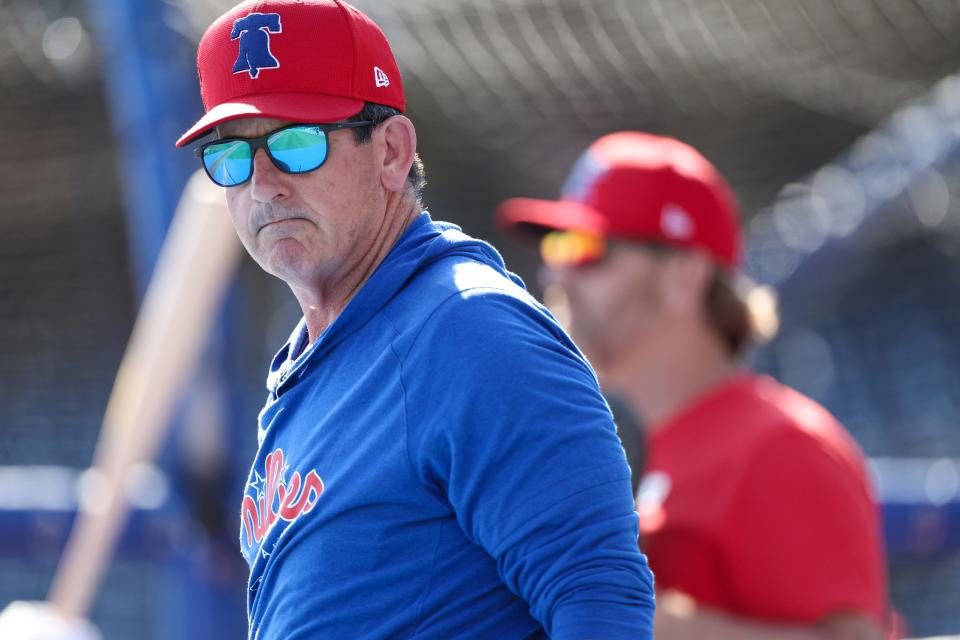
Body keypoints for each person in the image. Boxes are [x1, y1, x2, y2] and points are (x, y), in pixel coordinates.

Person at [173, 2, 655, 639]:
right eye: (231, 156)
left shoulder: (471, 332)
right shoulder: (315, 360)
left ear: (392, 152)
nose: (262, 184)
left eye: (296, 142)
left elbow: (600, 601)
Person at [496, 131, 890, 640]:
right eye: (556, 246)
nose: (557, 272)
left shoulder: (783, 446)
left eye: (588, 249)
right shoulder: (612, 440)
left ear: (683, 274)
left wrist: (634, 618)